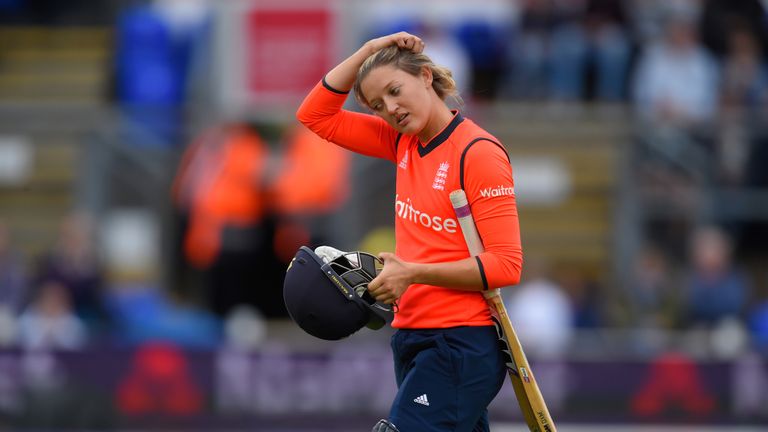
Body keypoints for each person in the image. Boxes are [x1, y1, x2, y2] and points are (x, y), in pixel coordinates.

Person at [297, 32, 523, 432]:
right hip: (412, 336)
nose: (391, 109)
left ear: (424, 76)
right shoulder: (402, 142)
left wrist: (413, 272)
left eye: (395, 90)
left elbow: (505, 265)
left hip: (460, 342)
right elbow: (315, 115)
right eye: (378, 105)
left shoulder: (478, 153)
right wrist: (368, 51)